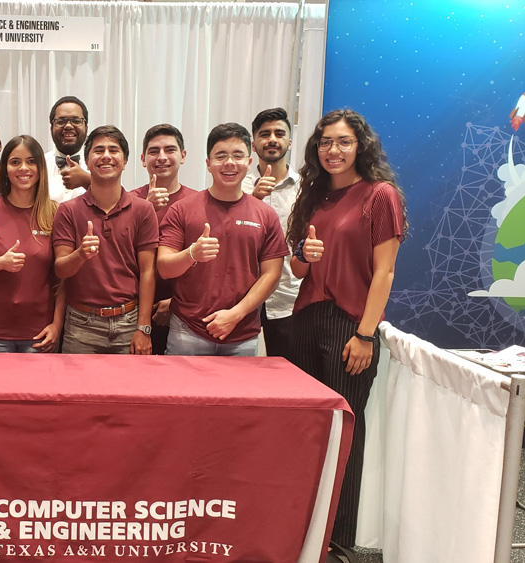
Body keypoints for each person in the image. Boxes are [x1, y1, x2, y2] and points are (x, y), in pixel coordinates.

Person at [284, 109, 408, 559]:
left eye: (342, 142)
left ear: (361, 146)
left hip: (348, 325)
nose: (332, 151)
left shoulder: (380, 195)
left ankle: (338, 540)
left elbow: (385, 271)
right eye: (324, 143)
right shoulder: (314, 197)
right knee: (310, 429)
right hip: (306, 318)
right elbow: (298, 269)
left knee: (345, 429)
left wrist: (366, 334)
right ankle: (304, 525)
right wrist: (304, 251)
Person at [157, 123, 286, 356]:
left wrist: (235, 315)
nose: (229, 163)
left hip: (242, 335)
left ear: (249, 162)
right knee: (181, 393)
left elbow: (271, 274)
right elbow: (164, 268)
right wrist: (191, 254)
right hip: (187, 332)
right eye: (220, 156)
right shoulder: (182, 209)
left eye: (238, 156)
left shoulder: (265, 214)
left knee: (239, 394)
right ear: (208, 164)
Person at [52, 125, 157, 354]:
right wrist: (81, 254)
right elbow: (60, 269)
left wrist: (144, 327)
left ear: (125, 160)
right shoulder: (68, 210)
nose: (106, 156)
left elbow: (148, 271)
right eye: (98, 150)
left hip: (129, 322)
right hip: (81, 324)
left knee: (128, 390)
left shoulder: (143, 209)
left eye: (114, 150)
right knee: (77, 390)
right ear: (87, 162)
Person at [0, 135, 65, 352]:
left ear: (41, 167)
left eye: (31, 161)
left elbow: (62, 278)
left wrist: (57, 324)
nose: (24, 168)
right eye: (15, 162)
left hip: (39, 334)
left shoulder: (55, 213)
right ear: (5, 168)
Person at [241, 107, 301, 358]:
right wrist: (253, 200)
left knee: (290, 378)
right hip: (242, 298)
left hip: (290, 299)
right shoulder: (236, 185)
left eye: (279, 133)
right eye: (264, 134)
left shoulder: (306, 189)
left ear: (289, 141)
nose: (272, 139)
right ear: (254, 144)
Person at [131, 124, 195, 354]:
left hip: (182, 313)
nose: (162, 157)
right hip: (133, 313)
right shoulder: (129, 201)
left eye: (169, 150)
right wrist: (144, 210)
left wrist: (175, 303)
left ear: (183, 156)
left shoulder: (198, 202)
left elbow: (203, 265)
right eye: (153, 151)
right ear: (142, 158)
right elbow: (119, 257)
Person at [44, 96, 91, 203]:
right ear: (51, 129)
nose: (68, 126)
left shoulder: (100, 163)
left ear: (86, 128)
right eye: (61, 121)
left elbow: (117, 200)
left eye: (76, 121)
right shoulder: (39, 165)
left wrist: (88, 180)